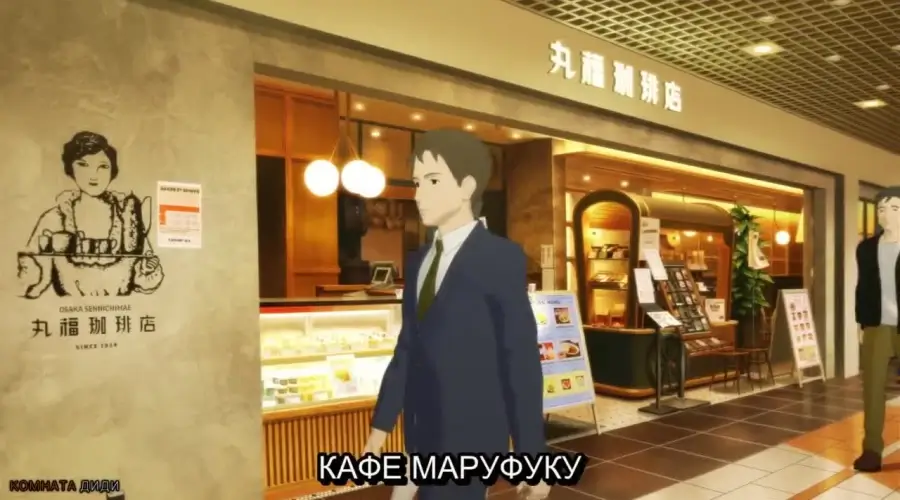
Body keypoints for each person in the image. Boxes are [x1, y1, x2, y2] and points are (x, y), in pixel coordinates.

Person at [363, 129, 550, 500]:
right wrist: (380, 427)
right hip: (421, 431)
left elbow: (520, 359)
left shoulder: (500, 258)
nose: (419, 194)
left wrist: (531, 453)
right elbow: (407, 348)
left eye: (433, 181)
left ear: (467, 186)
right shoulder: (418, 261)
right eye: (417, 183)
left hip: (471, 434)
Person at [17, 131, 163, 298]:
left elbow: (143, 277)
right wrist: (36, 269)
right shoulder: (54, 219)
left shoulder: (128, 219)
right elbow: (29, 276)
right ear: (70, 169)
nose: (94, 175)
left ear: (112, 170)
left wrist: (147, 268)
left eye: (103, 166)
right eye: (83, 165)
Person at [854, 187, 900, 472]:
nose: (887, 214)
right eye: (881, 209)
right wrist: (863, 322)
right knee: (872, 389)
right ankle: (871, 450)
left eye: (894, 208)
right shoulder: (866, 248)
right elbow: (864, 288)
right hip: (877, 326)